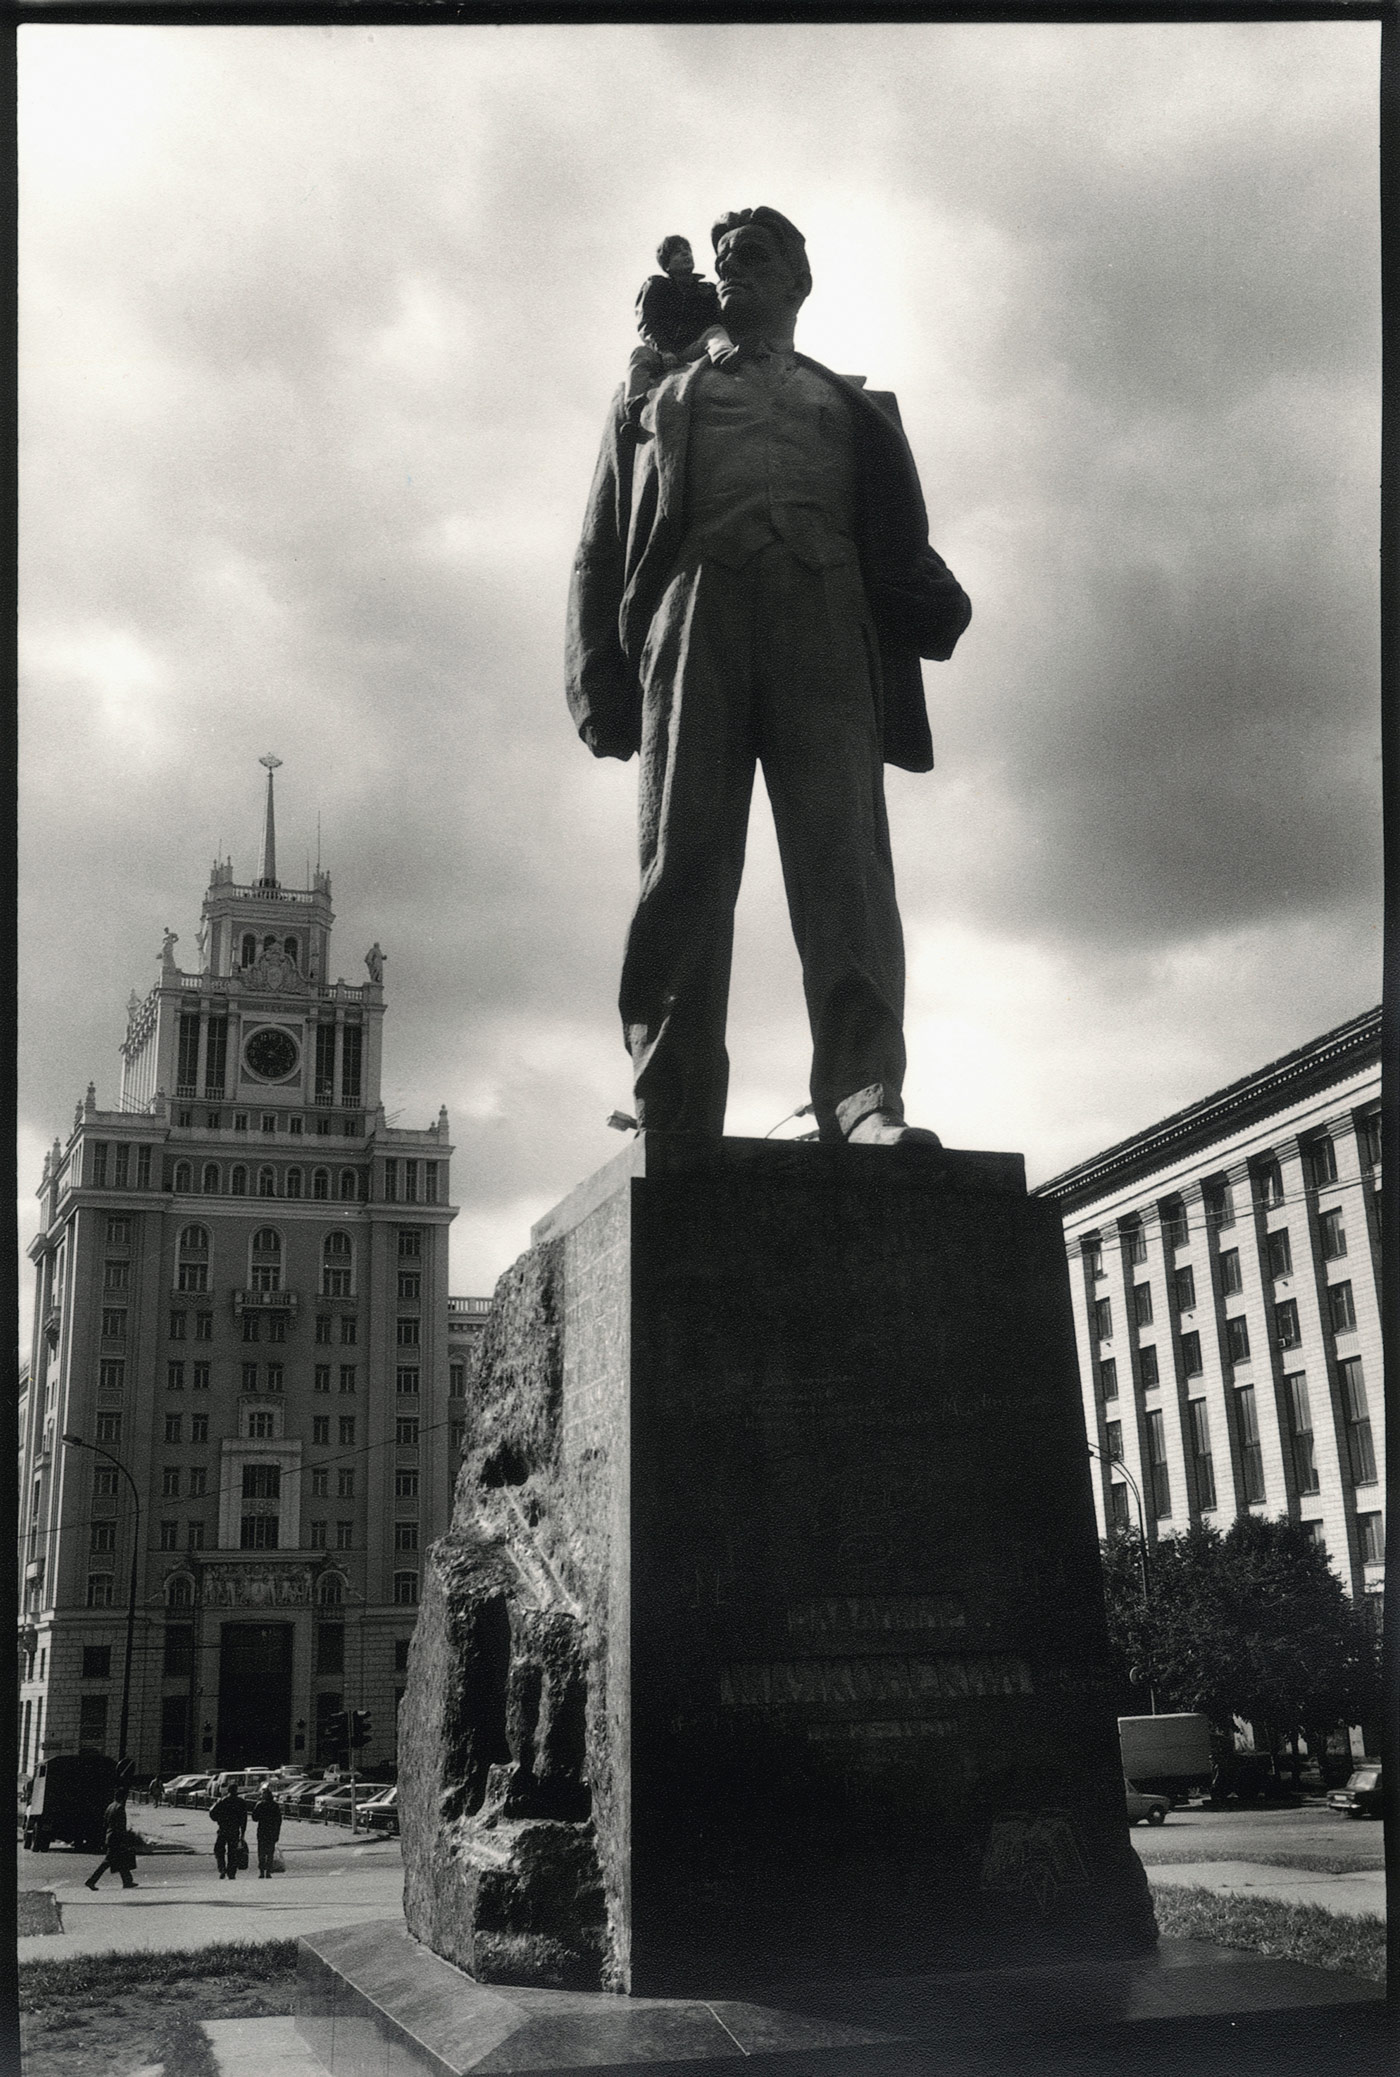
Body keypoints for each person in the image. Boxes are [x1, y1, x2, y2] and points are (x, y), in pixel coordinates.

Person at [567, 206, 971, 1145]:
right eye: (722, 260)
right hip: (694, 615)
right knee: (684, 862)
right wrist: (594, 678)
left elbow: (895, 536)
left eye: (751, 256)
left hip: (827, 618)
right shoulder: (658, 395)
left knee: (846, 864)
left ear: (799, 281)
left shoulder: (851, 405)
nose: (730, 270)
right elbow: (599, 543)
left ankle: (864, 1095)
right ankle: (674, 1106)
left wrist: (935, 596)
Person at [623, 235, 733, 423]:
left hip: (692, 349)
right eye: (677, 252)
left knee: (715, 331)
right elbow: (646, 322)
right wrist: (663, 350)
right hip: (661, 354)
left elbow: (721, 318)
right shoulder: (656, 285)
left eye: (687, 250)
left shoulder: (707, 290)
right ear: (667, 265)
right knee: (639, 355)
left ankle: (726, 356)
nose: (685, 254)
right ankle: (632, 413)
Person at [84, 1787, 137, 1891]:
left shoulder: (110, 1806)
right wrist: (124, 1838)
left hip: (110, 1835)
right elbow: (121, 1826)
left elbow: (105, 1823)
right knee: (108, 1861)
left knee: (121, 1859)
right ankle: (91, 1880)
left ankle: (127, 1881)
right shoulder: (120, 1807)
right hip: (116, 1837)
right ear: (123, 1797)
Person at [209, 1782, 249, 1881]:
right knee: (233, 1852)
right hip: (234, 1830)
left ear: (228, 1790)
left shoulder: (223, 1801)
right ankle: (231, 1872)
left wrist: (219, 1819)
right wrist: (243, 1833)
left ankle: (222, 1868)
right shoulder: (241, 1802)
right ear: (236, 1790)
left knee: (219, 1850)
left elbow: (212, 1813)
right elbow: (244, 1819)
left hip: (223, 1829)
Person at [252, 1785, 283, 1879]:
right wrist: (277, 1833)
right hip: (272, 1831)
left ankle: (262, 1871)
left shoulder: (260, 1805)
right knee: (270, 1852)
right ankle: (268, 1871)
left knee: (261, 1852)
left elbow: (254, 1818)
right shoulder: (275, 1805)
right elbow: (279, 1820)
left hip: (262, 1831)